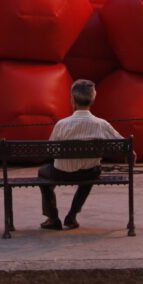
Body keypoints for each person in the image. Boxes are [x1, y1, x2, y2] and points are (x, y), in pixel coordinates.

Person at [38, 79, 123, 231]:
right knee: (93, 171)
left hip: (61, 173)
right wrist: (132, 153)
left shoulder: (61, 124)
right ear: (93, 99)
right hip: (87, 173)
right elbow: (123, 145)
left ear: (72, 99)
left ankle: (52, 217)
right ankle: (71, 216)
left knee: (42, 173)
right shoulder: (102, 124)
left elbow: (50, 150)